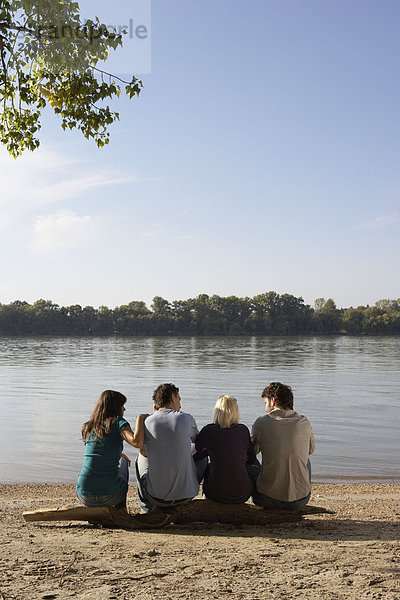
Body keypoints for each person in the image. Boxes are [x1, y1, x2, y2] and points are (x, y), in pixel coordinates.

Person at [135, 383, 207, 513]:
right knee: (203, 458)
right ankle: (198, 492)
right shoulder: (187, 418)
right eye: (179, 399)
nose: (180, 404)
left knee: (140, 457)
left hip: (157, 497)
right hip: (186, 496)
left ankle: (146, 508)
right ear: (173, 397)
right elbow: (197, 443)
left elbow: (144, 451)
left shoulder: (147, 421)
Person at [76, 390, 147, 510]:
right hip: (111, 496)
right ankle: (121, 510)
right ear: (115, 407)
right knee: (124, 464)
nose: (124, 409)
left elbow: (97, 451)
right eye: (122, 405)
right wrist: (140, 419)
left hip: (84, 496)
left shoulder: (89, 427)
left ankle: (94, 511)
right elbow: (136, 442)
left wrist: (119, 453)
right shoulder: (118, 421)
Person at [251, 382, 315, 510]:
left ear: (273, 401)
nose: (265, 408)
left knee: (251, 465)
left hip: (267, 499)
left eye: (265, 403)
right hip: (301, 499)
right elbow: (310, 450)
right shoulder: (304, 422)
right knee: (305, 460)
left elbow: (252, 453)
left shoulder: (261, 423)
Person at [195, 395, 260, 504]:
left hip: (215, 494)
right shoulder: (243, 430)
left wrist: (212, 451)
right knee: (253, 464)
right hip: (242, 494)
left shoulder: (208, 430)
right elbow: (251, 457)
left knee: (207, 463)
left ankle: (202, 496)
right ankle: (257, 497)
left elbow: (196, 455)